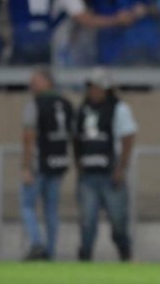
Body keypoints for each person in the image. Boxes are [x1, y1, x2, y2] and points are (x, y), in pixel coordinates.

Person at [75, 67, 137, 262]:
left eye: (97, 87)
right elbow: (77, 139)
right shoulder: (83, 110)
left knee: (118, 222)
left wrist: (121, 167)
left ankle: (125, 255)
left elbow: (128, 137)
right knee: (87, 221)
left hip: (110, 173)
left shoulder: (119, 109)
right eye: (91, 87)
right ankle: (85, 258)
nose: (93, 91)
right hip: (88, 174)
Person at [19, 68, 74, 260]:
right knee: (51, 209)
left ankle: (37, 243)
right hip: (58, 163)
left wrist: (26, 166)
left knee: (27, 206)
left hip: (39, 164)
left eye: (35, 81)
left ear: (47, 82)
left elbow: (29, 136)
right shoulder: (66, 104)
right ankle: (51, 251)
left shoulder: (35, 104)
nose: (31, 85)